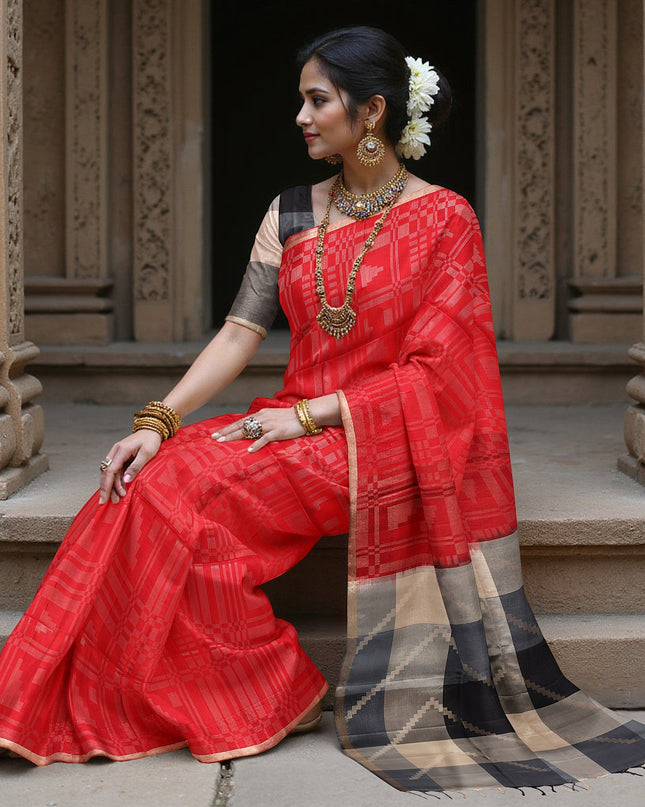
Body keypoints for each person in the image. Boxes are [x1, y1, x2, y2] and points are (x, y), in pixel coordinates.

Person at [1, 25, 644, 796]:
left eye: (317, 101)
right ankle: (191, 684)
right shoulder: (291, 213)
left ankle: (262, 686)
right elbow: (238, 333)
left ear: (370, 112)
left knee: (181, 493)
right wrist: (154, 421)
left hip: (376, 440)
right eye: (301, 101)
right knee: (149, 476)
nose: (300, 117)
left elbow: (443, 374)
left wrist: (311, 418)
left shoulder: (446, 219)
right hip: (290, 420)